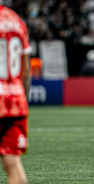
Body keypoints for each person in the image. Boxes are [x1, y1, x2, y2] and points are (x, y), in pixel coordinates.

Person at [0, 2, 31, 184]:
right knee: (13, 164)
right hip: (15, 101)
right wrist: (23, 100)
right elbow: (25, 69)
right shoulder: (16, 20)